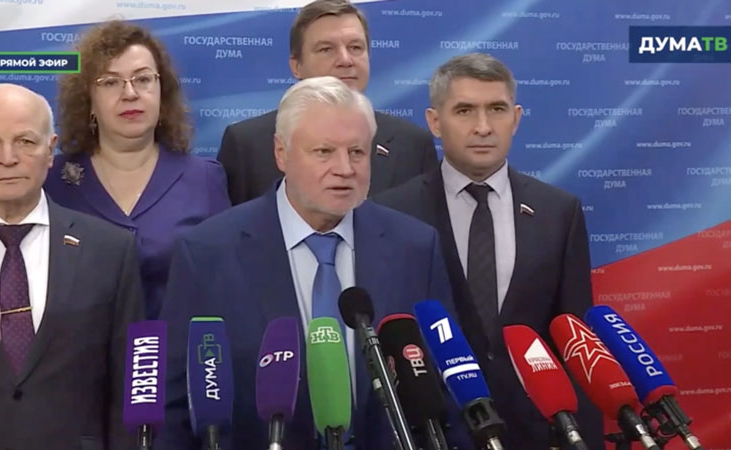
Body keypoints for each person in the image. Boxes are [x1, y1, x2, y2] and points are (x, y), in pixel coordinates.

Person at [158, 76, 455, 449]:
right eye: (324, 152)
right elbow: (172, 405)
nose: (345, 168)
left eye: (357, 152)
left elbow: (445, 384)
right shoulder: (208, 253)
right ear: (281, 153)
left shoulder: (414, 246)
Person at [375, 53, 605, 449]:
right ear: (434, 121)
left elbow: (576, 343)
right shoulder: (391, 212)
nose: (483, 127)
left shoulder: (558, 212)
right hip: (432, 433)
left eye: (496, 109)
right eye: (464, 110)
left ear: (515, 118)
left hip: (534, 434)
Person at [0, 83, 143, 450]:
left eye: (25, 141)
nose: (8, 158)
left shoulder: (110, 251)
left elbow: (131, 389)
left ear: (50, 149)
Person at [45, 20, 231, 319]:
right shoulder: (53, 182)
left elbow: (225, 285)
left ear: (162, 92)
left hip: (178, 346)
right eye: (110, 82)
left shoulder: (205, 179)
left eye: (143, 79)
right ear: (88, 100)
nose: (130, 93)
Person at [217, 0, 438, 205]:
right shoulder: (246, 144)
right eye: (326, 49)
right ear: (296, 66)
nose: (345, 60)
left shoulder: (413, 145)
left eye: (355, 48)